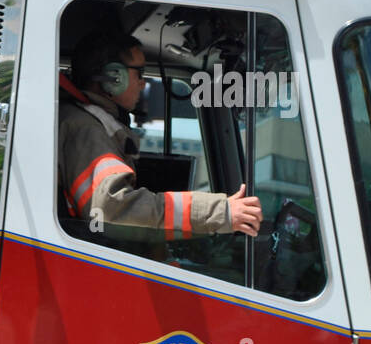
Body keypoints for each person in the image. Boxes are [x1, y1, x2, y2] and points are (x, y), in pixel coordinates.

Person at [58, 28, 262, 243]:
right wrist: (221, 212)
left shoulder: (87, 123)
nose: (143, 83)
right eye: (139, 73)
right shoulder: (87, 129)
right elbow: (111, 209)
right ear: (114, 78)